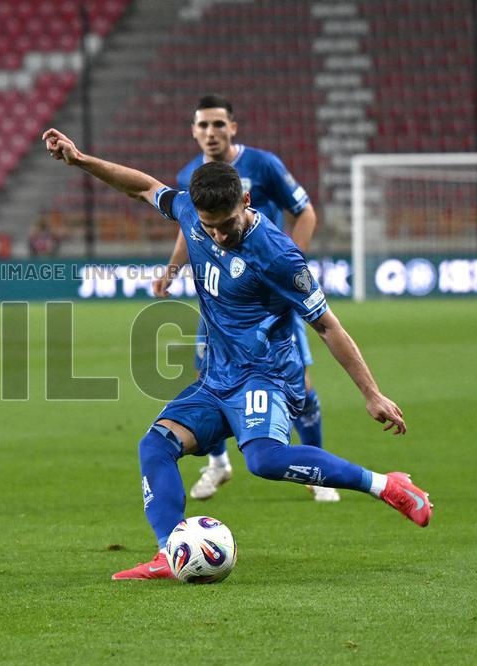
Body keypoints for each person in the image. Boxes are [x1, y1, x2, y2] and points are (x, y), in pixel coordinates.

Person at [42, 127, 432, 580]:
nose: (219, 236)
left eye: (226, 224)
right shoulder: (192, 211)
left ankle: (388, 485)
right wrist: (81, 159)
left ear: (246, 202)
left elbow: (328, 326)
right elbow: (143, 186)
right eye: (210, 227)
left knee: (264, 459)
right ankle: (172, 552)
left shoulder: (279, 256)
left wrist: (372, 393)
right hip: (218, 376)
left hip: (267, 375)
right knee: (155, 446)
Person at [152, 94, 335, 502]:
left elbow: (305, 212)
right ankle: (217, 465)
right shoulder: (189, 174)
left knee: (300, 384)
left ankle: (316, 467)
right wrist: (172, 268)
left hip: (267, 296)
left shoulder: (264, 164)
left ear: (233, 128)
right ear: (193, 131)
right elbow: (191, 224)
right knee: (207, 378)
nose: (210, 132)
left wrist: (287, 273)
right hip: (220, 296)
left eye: (218, 124)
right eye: (203, 125)